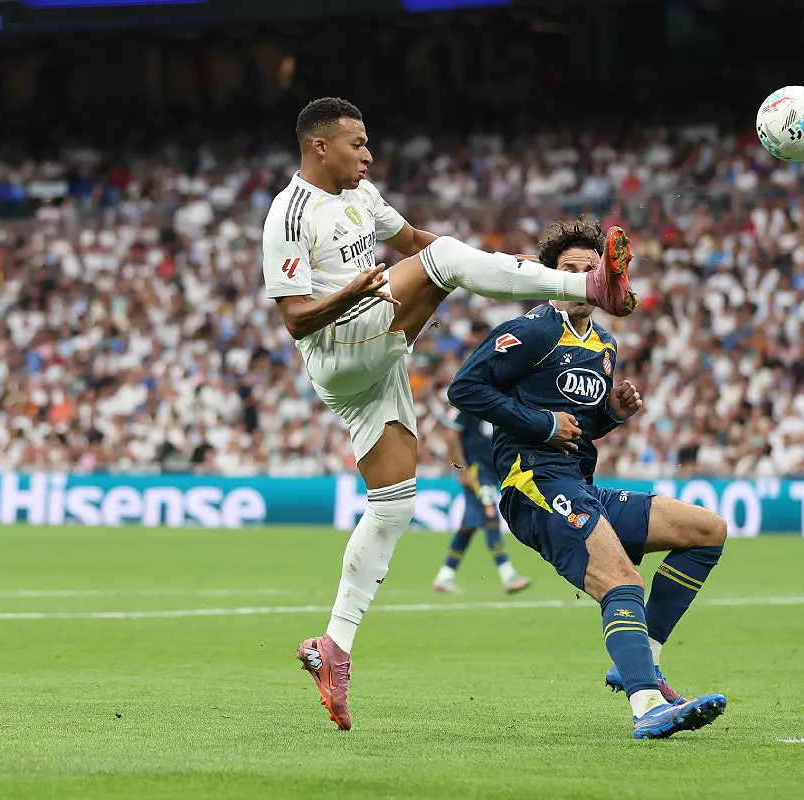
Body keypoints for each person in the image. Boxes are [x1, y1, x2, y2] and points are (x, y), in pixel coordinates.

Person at [264, 97, 638, 731]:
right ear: (320, 146)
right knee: (445, 263)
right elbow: (295, 316)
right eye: (357, 142)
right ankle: (589, 288)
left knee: (394, 505)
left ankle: (334, 648)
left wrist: (497, 270)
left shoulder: (363, 196)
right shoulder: (290, 213)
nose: (368, 152)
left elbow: (412, 241)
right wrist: (358, 290)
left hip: (378, 358)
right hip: (337, 345)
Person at [446, 220, 728, 739]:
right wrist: (541, 424)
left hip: (579, 484)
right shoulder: (532, 329)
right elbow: (464, 389)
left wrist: (613, 414)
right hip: (532, 483)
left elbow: (583, 425)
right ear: (550, 278)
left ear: (604, 278)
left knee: (706, 530)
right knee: (622, 581)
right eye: (566, 271)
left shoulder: (604, 344)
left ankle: (641, 664)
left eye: (588, 271)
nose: (578, 280)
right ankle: (647, 708)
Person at [433, 408, 530, 595]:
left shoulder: (493, 401)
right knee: (490, 516)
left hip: (490, 473)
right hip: (476, 472)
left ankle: (445, 576)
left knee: (468, 526)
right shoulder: (468, 401)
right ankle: (508, 574)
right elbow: (451, 435)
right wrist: (461, 470)